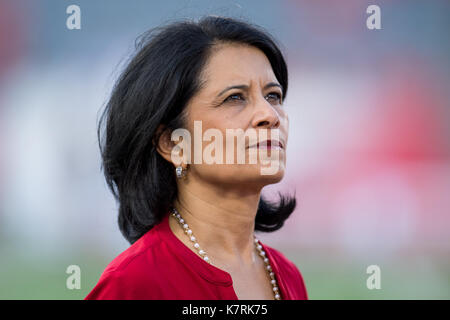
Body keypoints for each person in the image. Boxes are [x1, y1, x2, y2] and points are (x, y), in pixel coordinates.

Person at [85, 15, 308, 300]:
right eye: (235, 98)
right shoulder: (135, 282)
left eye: (273, 96)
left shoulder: (287, 276)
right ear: (172, 143)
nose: (270, 115)